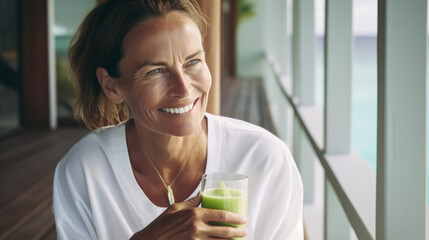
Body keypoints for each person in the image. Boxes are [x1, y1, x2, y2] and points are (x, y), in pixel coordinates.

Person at [52, 0, 304, 239]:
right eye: (156, 71)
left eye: (193, 61)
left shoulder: (265, 160)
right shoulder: (83, 171)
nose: (183, 89)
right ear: (111, 86)